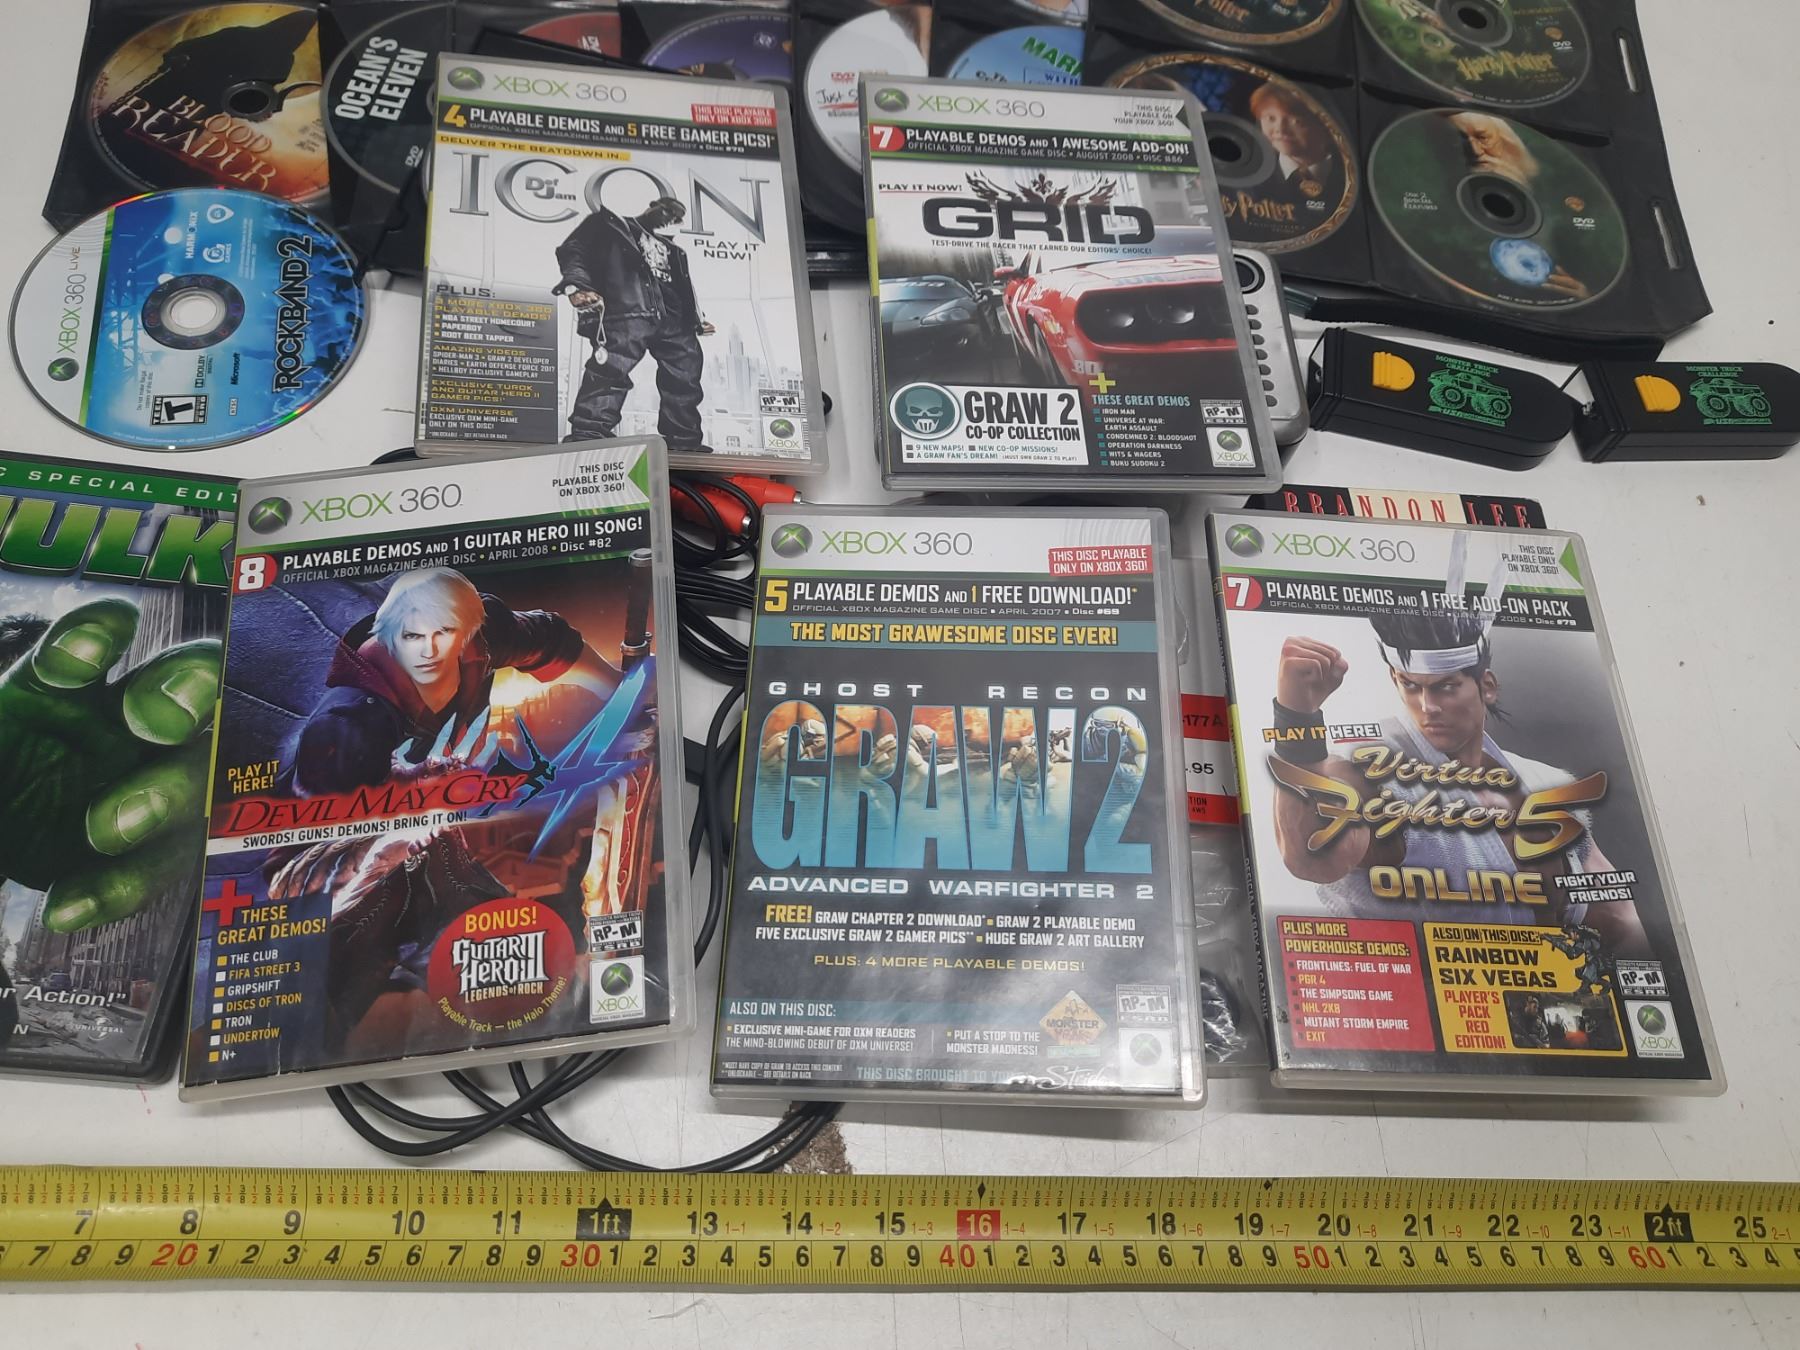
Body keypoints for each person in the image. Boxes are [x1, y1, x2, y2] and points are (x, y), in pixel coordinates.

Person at [1264, 542, 1644, 952]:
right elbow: (1313, 858)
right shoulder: (1368, 769)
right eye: (1411, 686)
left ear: (1487, 687)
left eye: (1445, 687)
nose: (1428, 706)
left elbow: (1618, 918)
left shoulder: (1543, 783)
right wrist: (1296, 718)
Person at [293, 567, 620, 794]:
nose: (429, 651)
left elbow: (552, 641)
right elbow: (315, 846)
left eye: (445, 633)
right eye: (412, 636)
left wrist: (623, 693)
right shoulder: (346, 728)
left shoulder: (483, 636)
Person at [555, 195, 715, 450]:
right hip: (628, 310)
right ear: (652, 205)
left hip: (674, 319)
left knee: (685, 377)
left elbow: (683, 287)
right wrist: (576, 286)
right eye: (668, 212)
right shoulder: (610, 225)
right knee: (610, 370)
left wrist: (696, 320)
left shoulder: (674, 249)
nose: (671, 220)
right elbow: (573, 250)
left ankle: (684, 442)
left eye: (676, 218)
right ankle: (588, 436)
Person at [1250, 81, 1345, 215]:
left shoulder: (1348, 175)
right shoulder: (1251, 177)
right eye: (1270, 118)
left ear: (1326, 126)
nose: (1280, 129)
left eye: (1296, 121)